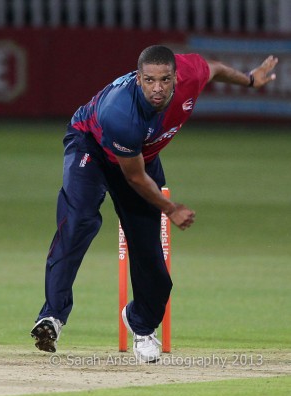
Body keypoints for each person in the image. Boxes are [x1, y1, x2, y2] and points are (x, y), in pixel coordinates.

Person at [30, 45, 278, 362]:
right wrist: (170, 208)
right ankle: (52, 316)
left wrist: (249, 80)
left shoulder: (191, 74)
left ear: (177, 77)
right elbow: (133, 178)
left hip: (140, 158)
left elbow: (213, 67)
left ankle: (142, 326)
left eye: (164, 80)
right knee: (79, 221)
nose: (157, 89)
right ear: (138, 78)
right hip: (90, 147)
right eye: (149, 80)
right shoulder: (120, 112)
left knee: (149, 252)